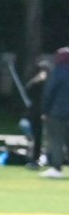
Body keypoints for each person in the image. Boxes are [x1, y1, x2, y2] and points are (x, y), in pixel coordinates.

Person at [42, 48, 69, 177]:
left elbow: (50, 92)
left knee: (56, 140)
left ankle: (57, 168)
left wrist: (45, 110)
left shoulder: (58, 72)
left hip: (57, 112)